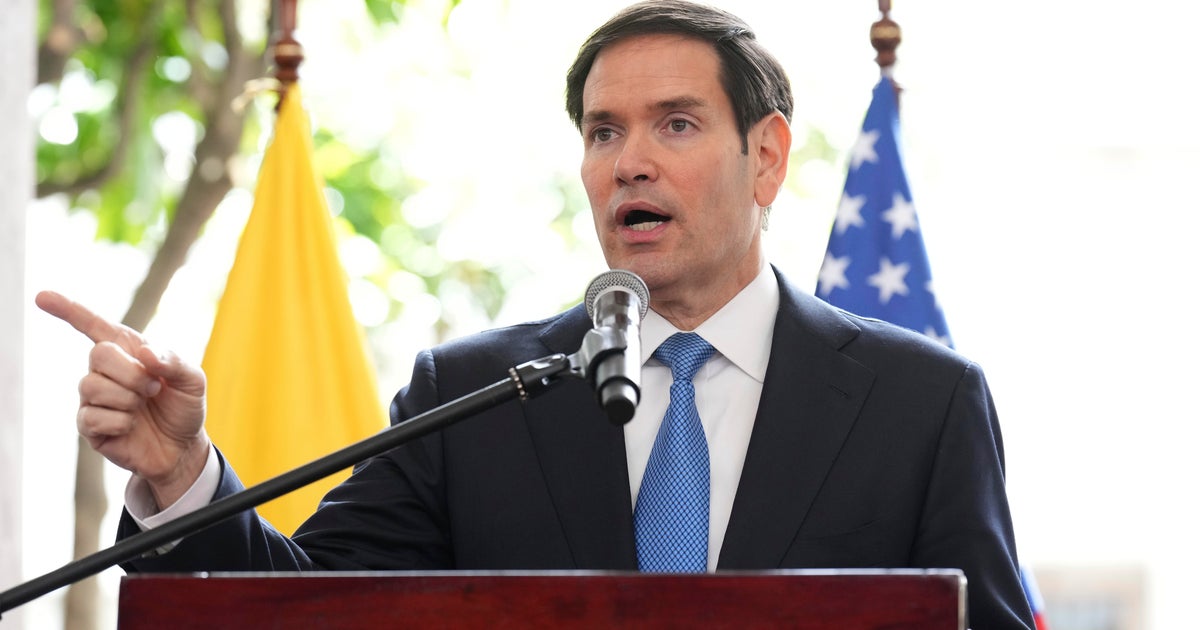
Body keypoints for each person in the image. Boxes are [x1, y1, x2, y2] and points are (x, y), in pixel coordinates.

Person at [36, 1, 1035, 628]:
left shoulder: (922, 403)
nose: (629, 162)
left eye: (675, 124)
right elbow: (300, 608)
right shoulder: (473, 397)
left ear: (766, 156)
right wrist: (180, 472)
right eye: (604, 132)